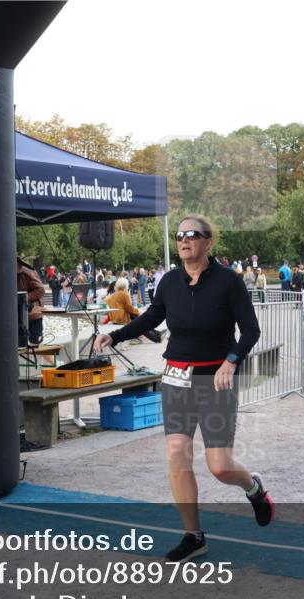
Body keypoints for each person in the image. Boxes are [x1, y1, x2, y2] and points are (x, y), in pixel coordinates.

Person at [93, 214, 271, 563]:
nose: (184, 240)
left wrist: (231, 361)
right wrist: (115, 335)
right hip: (176, 377)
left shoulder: (229, 282)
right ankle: (193, 536)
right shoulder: (170, 281)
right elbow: (151, 317)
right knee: (178, 454)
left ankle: (253, 488)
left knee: (220, 467)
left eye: (192, 234)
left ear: (208, 241)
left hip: (215, 380)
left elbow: (251, 330)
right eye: (179, 236)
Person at [104, 278, 161, 343]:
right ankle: (156, 336)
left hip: (115, 319)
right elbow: (130, 308)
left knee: (139, 320)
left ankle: (156, 335)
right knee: (141, 321)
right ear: (125, 285)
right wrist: (139, 311)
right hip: (122, 318)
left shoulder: (113, 295)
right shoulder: (124, 294)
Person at [18, 260, 46, 345]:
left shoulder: (28, 272)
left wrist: (23, 298)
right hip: (20, 314)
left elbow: (41, 290)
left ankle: (56, 358)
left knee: (36, 343)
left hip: (33, 313)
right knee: (20, 344)